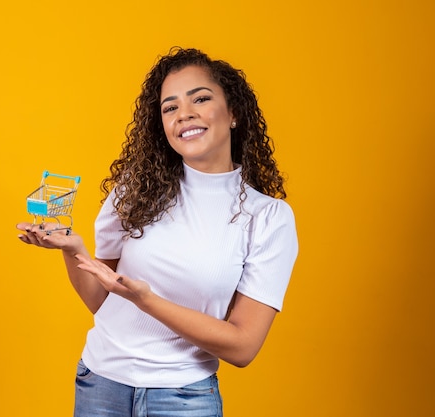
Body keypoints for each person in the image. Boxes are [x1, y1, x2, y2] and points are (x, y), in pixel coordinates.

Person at [16, 47, 298, 417]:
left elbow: (243, 347)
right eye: (170, 107)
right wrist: (74, 251)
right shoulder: (136, 189)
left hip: (183, 399)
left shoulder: (268, 217)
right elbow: (103, 302)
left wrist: (146, 300)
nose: (185, 114)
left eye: (200, 98)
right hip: (99, 384)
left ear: (233, 113)